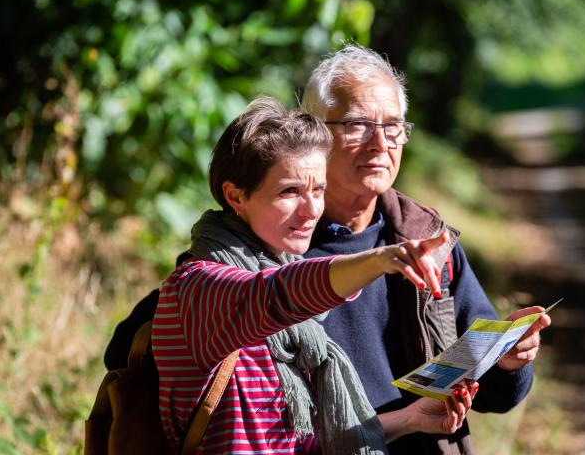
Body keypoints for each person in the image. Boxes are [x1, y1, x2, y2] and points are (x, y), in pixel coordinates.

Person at [152, 97, 477, 454]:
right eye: (289, 191)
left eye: (318, 189)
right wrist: (380, 260)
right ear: (236, 196)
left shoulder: (296, 322)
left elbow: (302, 445)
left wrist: (410, 418)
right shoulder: (198, 287)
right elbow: (279, 295)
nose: (310, 210)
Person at [299, 44, 552, 454]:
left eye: (394, 125)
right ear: (311, 131)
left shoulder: (426, 240)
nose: (380, 143)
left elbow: (494, 396)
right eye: (358, 124)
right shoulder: (276, 250)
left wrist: (509, 359)